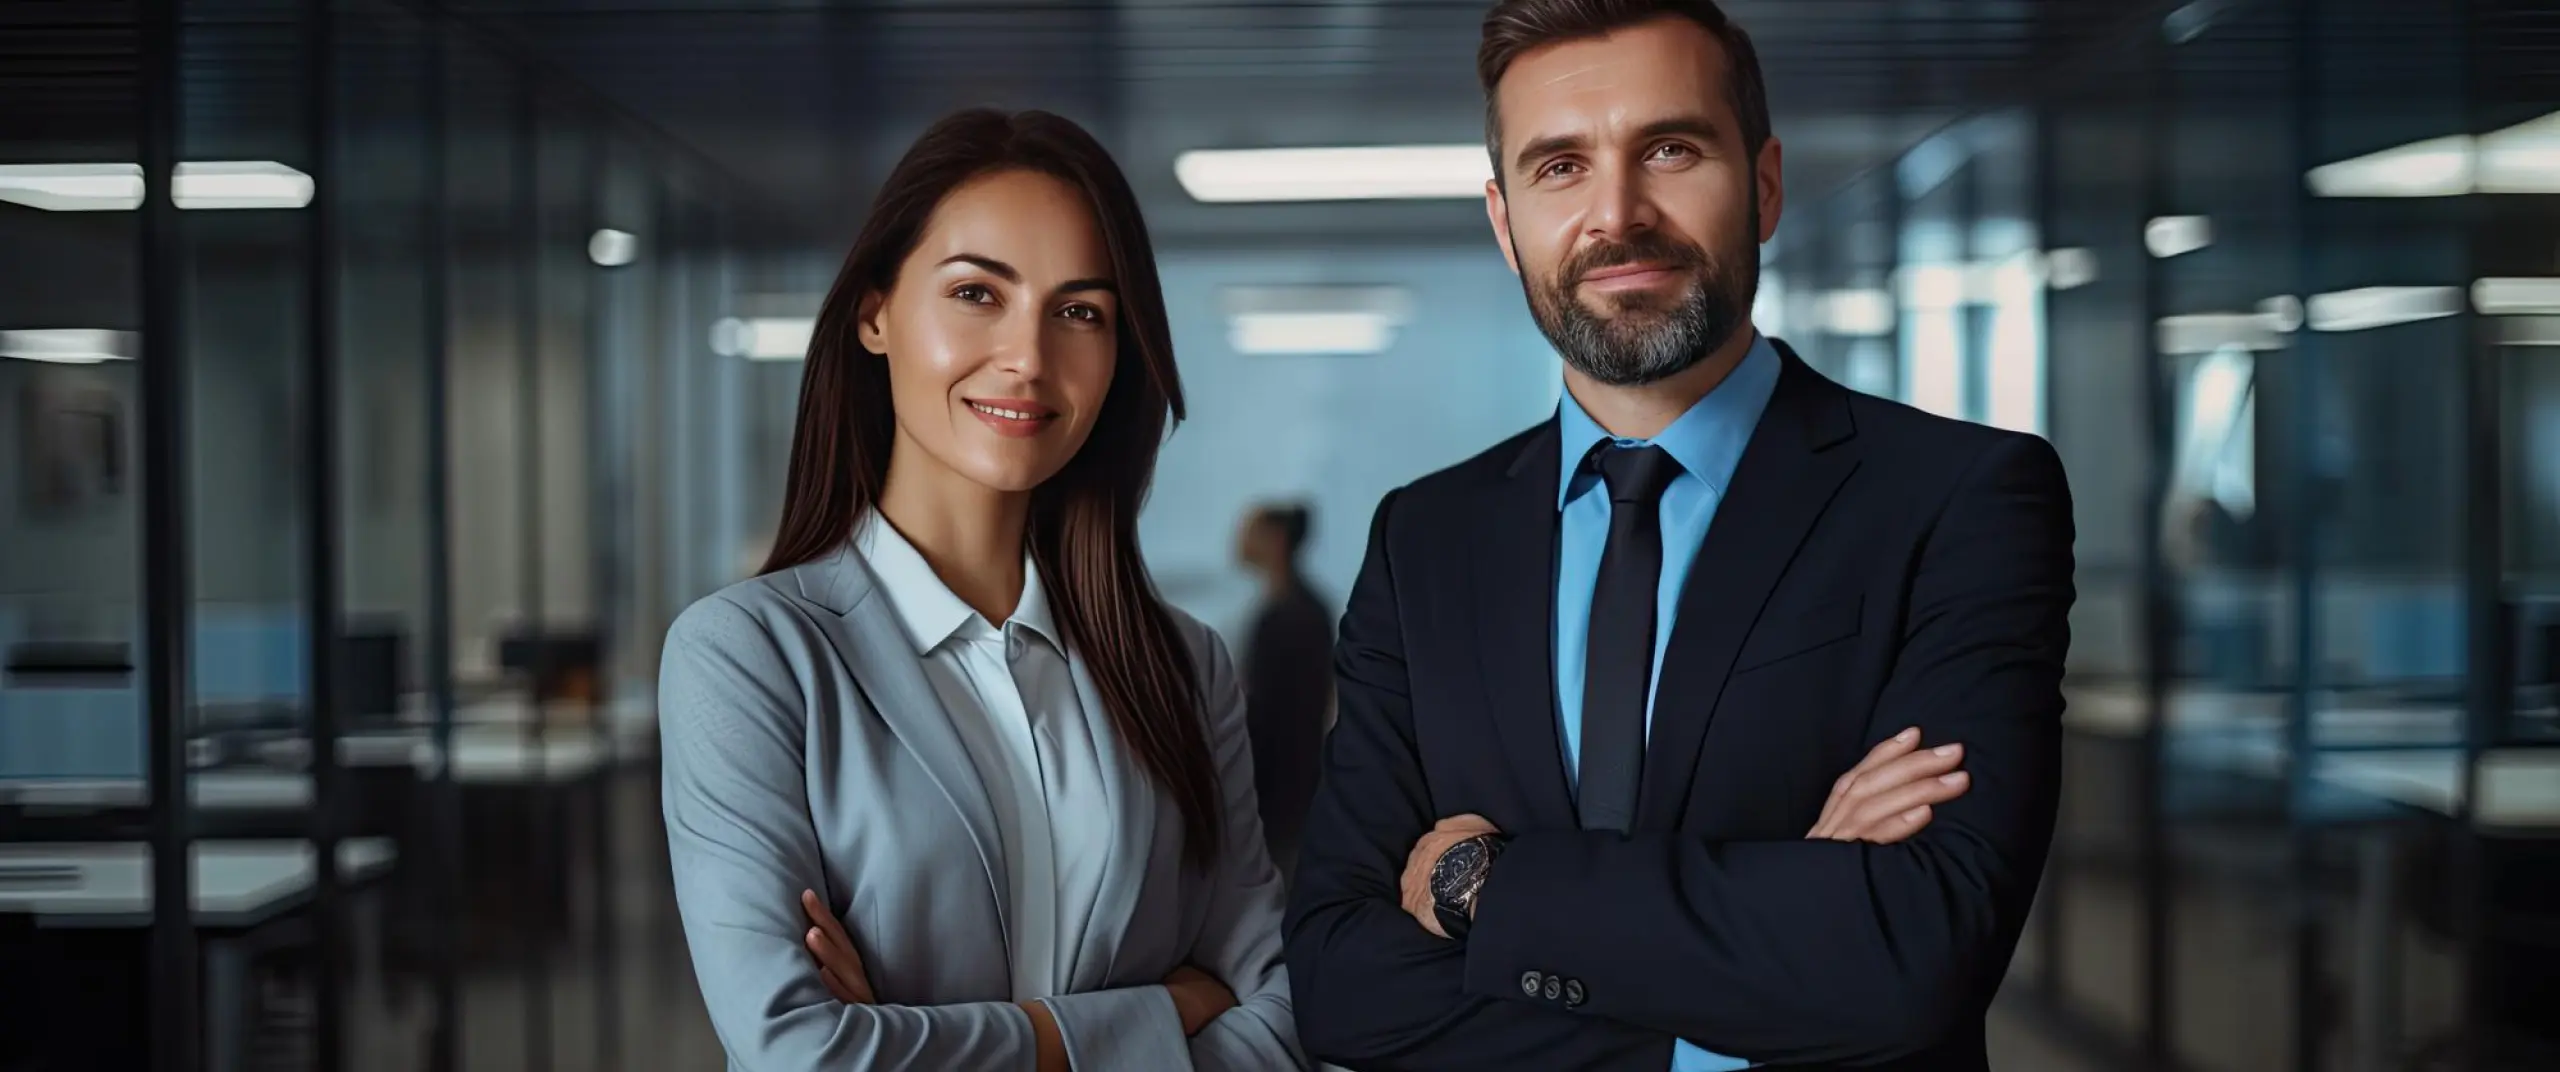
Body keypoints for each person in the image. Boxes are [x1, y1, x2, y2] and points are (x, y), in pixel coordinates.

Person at [1282, 2, 2076, 1070]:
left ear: (1763, 182)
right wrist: (1753, 971)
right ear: (1504, 221)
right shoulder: (1424, 538)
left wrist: (1485, 887)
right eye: (1559, 166)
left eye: (1668, 148)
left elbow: (1913, 954)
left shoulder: (1958, 498)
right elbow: (1340, 982)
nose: (1617, 213)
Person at [657, 108, 1303, 1071]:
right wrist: (1163, 1013)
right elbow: (803, 1050)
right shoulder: (750, 656)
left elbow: (1281, 1019)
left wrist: (908, 1038)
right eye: (975, 293)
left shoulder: (1181, 664)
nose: (1029, 358)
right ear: (874, 313)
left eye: (1080, 311)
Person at [1232, 502, 1335, 876]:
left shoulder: (1289, 615)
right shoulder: (1303, 608)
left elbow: (1280, 711)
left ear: (1276, 541)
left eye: (1252, 530)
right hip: (1292, 781)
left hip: (1282, 785)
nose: (1239, 540)